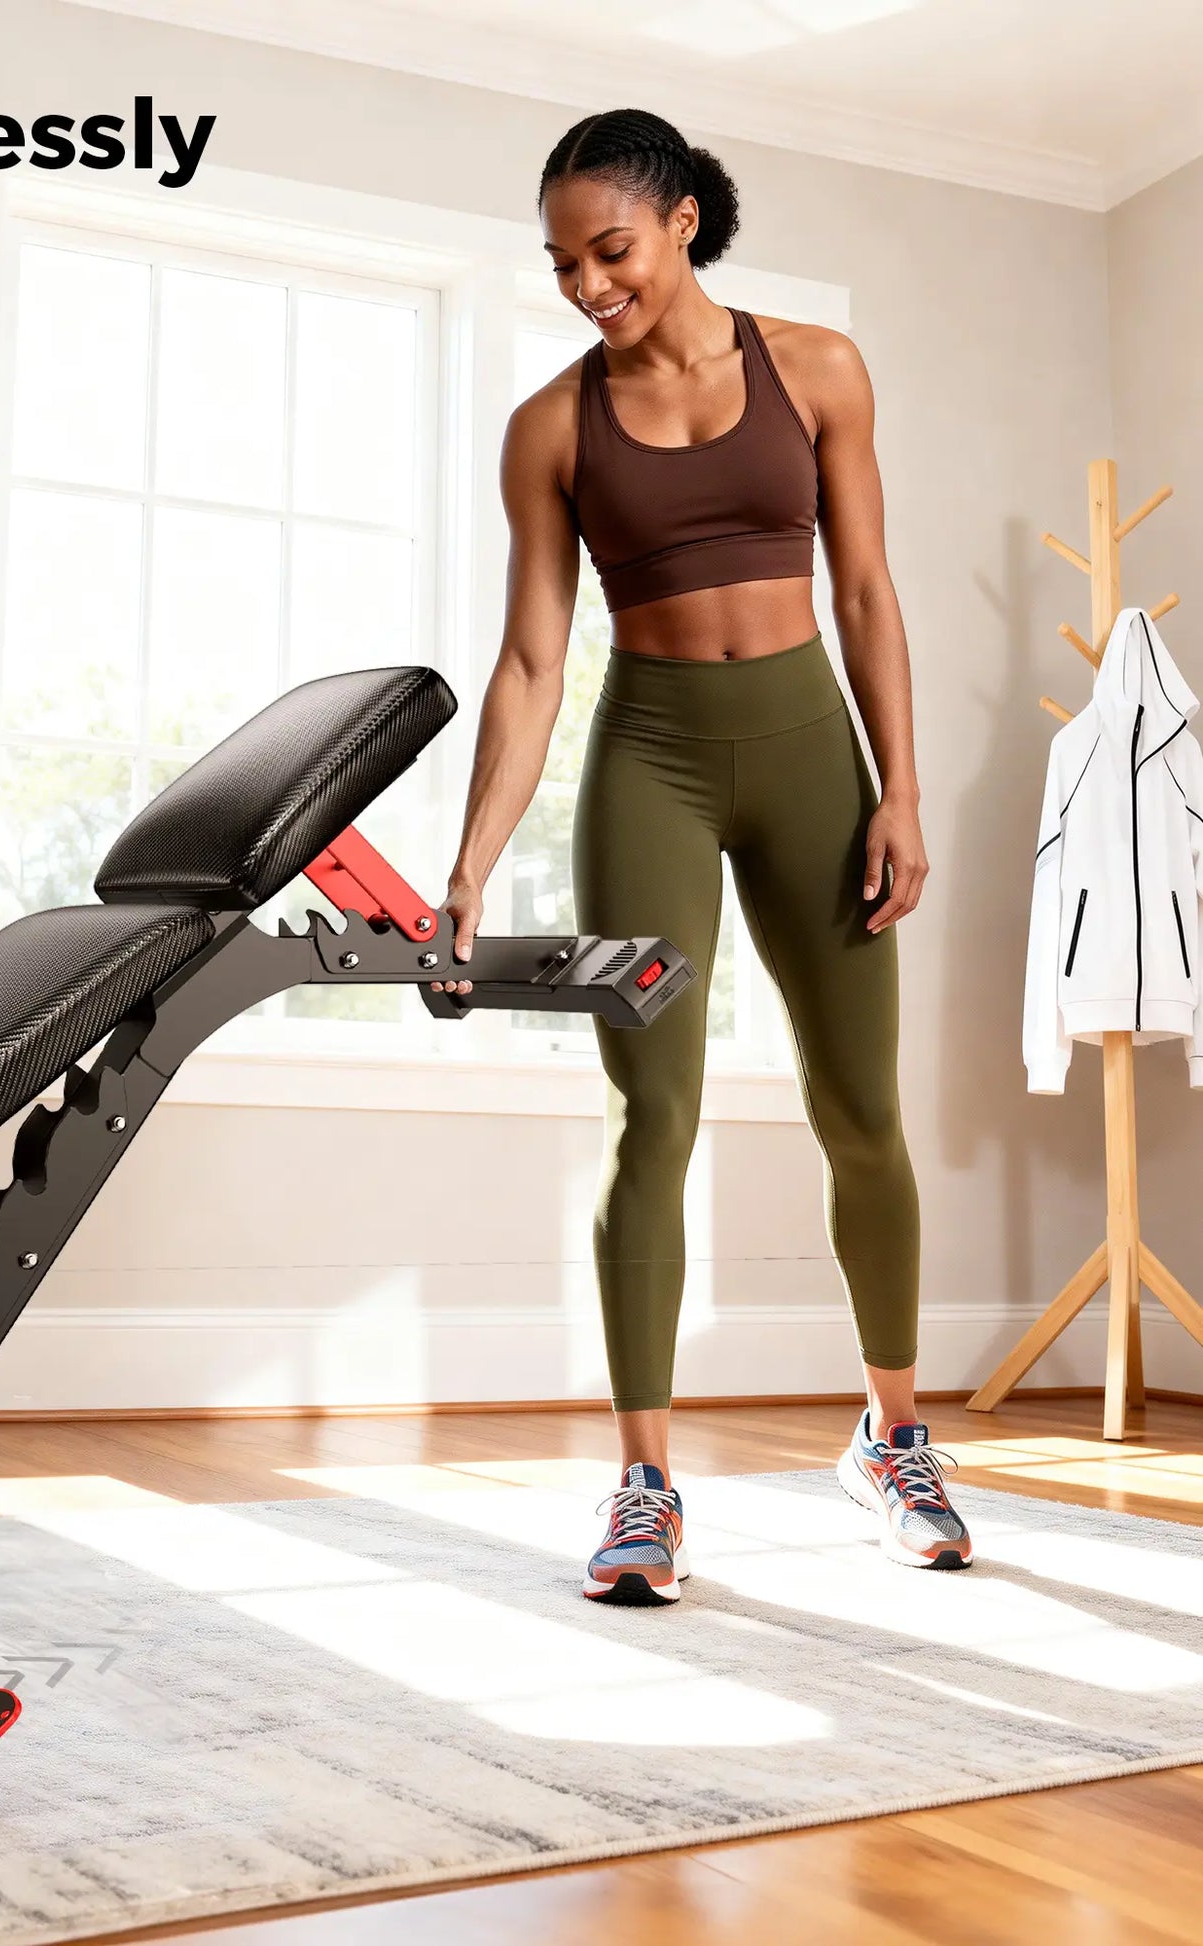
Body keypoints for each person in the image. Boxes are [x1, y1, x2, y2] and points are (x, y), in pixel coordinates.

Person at [434, 108, 970, 1604]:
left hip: (811, 760)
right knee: (649, 1114)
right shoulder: (551, 428)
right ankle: (645, 1481)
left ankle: (892, 1436)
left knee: (861, 1109)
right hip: (649, 763)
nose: (586, 285)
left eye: (608, 249)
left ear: (680, 221)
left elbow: (864, 592)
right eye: (562, 264)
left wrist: (900, 790)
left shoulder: (817, 369)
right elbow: (531, 663)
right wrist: (470, 868)